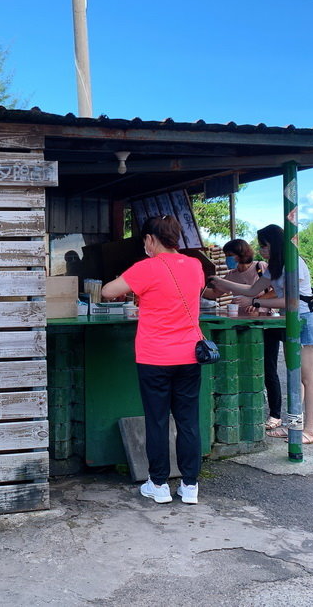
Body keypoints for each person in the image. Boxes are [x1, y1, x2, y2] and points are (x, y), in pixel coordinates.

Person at [102, 215, 205, 505]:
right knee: (188, 421)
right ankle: (189, 485)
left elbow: (109, 290)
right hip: (189, 356)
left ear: (150, 239)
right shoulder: (195, 265)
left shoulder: (146, 268)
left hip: (155, 358)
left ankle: (158, 484)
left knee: (157, 421)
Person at [208, 224, 313, 444]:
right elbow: (251, 289)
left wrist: (256, 302)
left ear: (276, 244)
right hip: (290, 322)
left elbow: (291, 302)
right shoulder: (273, 267)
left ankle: (309, 431)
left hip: (306, 320)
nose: (261, 250)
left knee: (308, 378)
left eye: (264, 245)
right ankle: (293, 426)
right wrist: (221, 282)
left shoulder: (293, 262)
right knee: (294, 376)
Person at [207, 239, 284, 430]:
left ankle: (275, 414)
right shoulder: (231, 275)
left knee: (268, 370)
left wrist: (254, 300)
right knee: (243, 369)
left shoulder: (260, 267)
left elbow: (276, 290)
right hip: (241, 327)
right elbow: (214, 293)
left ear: (240, 253)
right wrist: (194, 288)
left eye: (230, 255)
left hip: (263, 326)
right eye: (226, 256)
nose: (227, 260)